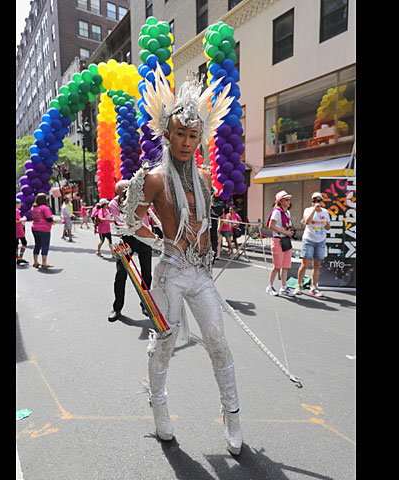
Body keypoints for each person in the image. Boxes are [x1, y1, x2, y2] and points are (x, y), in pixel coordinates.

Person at [120, 67, 242, 454]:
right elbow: (129, 223)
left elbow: (206, 224)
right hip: (171, 273)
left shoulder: (205, 178)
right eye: (180, 134)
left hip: (201, 273)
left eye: (193, 135)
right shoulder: (153, 178)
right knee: (165, 344)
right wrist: (160, 244)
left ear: (200, 137)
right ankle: (159, 410)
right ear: (167, 134)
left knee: (219, 343)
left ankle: (233, 417)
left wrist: (210, 247)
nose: (187, 142)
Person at [108, 180, 154, 322]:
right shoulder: (114, 205)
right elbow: (124, 225)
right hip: (127, 238)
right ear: (118, 194)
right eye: (125, 192)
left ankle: (145, 305)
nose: (129, 194)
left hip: (144, 238)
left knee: (146, 274)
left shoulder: (141, 199)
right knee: (121, 275)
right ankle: (117, 308)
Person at [295, 192, 331, 297]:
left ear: (322, 202)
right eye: (314, 200)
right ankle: (298, 285)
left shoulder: (325, 212)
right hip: (309, 240)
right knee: (305, 264)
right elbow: (307, 221)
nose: (316, 202)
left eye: (318, 200)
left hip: (320, 241)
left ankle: (314, 287)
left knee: (317, 265)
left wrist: (328, 226)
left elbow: (328, 228)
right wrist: (314, 210)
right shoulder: (308, 210)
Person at [266, 191, 296, 297]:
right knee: (277, 266)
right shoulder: (277, 211)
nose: (288, 201)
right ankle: (270, 286)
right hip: (278, 240)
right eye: (286, 199)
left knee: (285, 266)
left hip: (286, 240)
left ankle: (284, 287)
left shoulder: (287, 213)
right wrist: (285, 232)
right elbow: (271, 226)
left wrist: (289, 232)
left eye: (289, 199)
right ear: (280, 201)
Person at [31, 193, 54, 268]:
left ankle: (35, 262)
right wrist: (53, 220)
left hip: (34, 227)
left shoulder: (33, 208)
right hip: (44, 228)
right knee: (45, 245)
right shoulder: (45, 208)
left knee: (37, 244)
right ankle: (44, 263)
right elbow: (48, 218)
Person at [16, 199, 29, 265]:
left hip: (18, 229)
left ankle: (18, 258)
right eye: (19, 203)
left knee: (16, 243)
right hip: (18, 230)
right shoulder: (16, 210)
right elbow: (16, 221)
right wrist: (23, 219)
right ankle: (19, 257)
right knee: (24, 243)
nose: (20, 205)